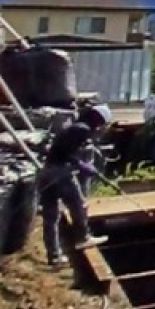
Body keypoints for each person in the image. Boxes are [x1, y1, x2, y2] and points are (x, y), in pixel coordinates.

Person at [39, 103, 110, 267]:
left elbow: (56, 150)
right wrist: (81, 165)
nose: (100, 128)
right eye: (101, 124)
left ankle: (54, 256)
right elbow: (65, 154)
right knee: (78, 204)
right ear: (98, 120)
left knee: (51, 217)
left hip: (47, 172)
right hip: (60, 173)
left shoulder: (74, 127)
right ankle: (83, 237)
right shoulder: (82, 130)